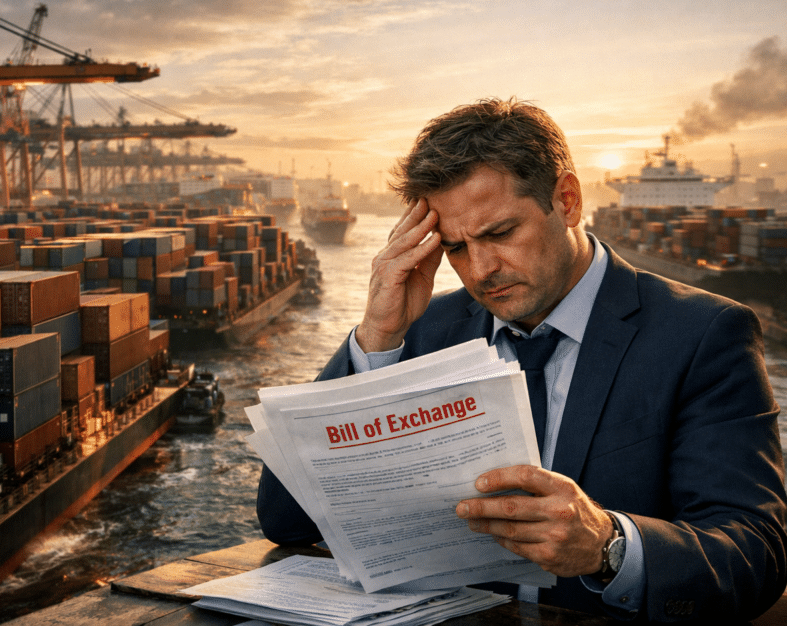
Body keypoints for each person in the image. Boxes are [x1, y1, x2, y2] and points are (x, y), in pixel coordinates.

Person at [256, 97, 787, 621]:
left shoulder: (704, 334)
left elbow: (754, 554)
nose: (482, 269)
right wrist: (375, 338)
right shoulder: (420, 329)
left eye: (501, 233)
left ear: (568, 200)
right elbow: (287, 521)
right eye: (456, 248)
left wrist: (609, 546)